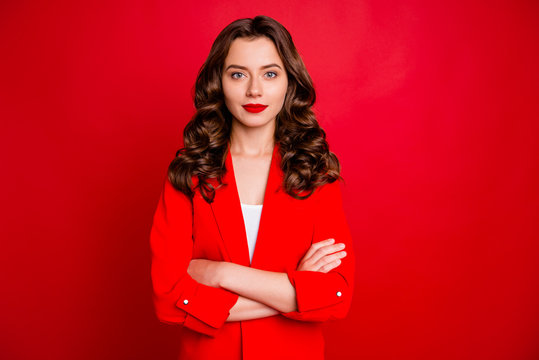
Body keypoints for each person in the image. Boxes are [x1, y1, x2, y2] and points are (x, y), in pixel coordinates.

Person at [150, 15, 355, 360]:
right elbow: (169, 301)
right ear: (219, 82)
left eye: (270, 73)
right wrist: (293, 291)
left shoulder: (315, 171)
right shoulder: (189, 173)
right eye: (238, 74)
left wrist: (219, 273)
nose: (254, 90)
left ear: (289, 83)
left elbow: (336, 297)